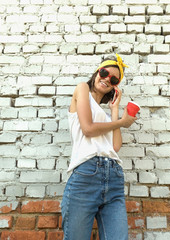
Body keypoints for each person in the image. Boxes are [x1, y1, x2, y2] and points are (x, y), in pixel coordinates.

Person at [61, 54, 137, 240]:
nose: (106, 79)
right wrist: (121, 123)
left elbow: (115, 146)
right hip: (87, 174)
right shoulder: (82, 89)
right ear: (97, 72)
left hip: (114, 177)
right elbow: (88, 129)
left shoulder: (103, 113)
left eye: (113, 79)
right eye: (104, 72)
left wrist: (114, 111)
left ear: (115, 86)